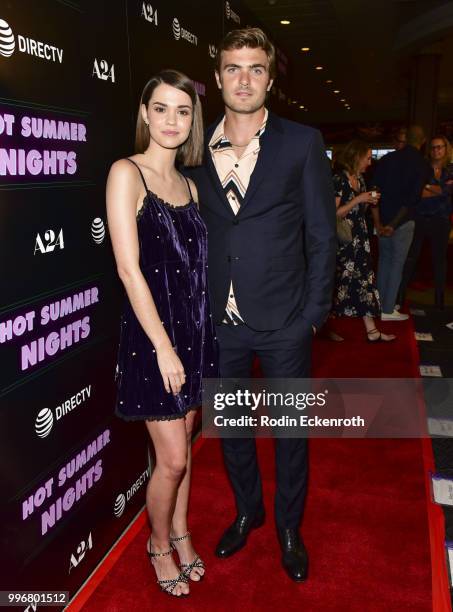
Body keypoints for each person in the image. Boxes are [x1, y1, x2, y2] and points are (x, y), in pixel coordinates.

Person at [187, 28, 336, 582]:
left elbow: (323, 234)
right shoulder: (195, 146)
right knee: (231, 430)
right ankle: (247, 510)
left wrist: (313, 316)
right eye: (233, 68)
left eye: (255, 69)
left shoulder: (301, 141)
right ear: (219, 76)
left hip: (285, 321)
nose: (243, 79)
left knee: (291, 434)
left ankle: (289, 527)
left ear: (270, 79)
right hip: (218, 323)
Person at [106, 70, 218, 597]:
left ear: (192, 119)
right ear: (145, 113)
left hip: (196, 333)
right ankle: (156, 544)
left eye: (183, 110)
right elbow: (129, 270)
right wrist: (164, 347)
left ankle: (181, 530)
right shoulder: (127, 173)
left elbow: (196, 270)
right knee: (171, 459)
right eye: (161, 108)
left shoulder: (191, 184)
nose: (172, 120)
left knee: (186, 452)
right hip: (157, 341)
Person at [332, 140, 395, 342]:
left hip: (360, 239)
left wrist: (368, 201)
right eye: (367, 157)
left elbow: (359, 212)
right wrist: (358, 200)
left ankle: (372, 331)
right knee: (337, 285)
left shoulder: (360, 179)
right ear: (356, 156)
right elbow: (334, 213)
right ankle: (323, 326)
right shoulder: (338, 179)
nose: (370, 161)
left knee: (365, 283)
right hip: (343, 242)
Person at [372, 125, 428, 320]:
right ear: (422, 141)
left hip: (383, 219)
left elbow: (374, 193)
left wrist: (379, 223)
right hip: (402, 222)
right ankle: (387, 310)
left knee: (384, 263)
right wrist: (392, 225)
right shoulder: (421, 164)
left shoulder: (386, 159)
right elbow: (412, 200)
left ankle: (378, 307)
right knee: (396, 265)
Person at [399, 135, 453, 309]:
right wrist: (436, 189)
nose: (436, 150)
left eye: (440, 147)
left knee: (439, 261)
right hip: (420, 218)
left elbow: (446, 191)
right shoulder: (423, 168)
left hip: (441, 220)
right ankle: (398, 299)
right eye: (433, 147)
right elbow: (417, 193)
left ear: (446, 149)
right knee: (411, 257)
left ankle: (439, 302)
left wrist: (428, 188)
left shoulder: (451, 170)